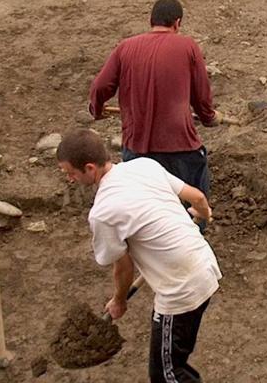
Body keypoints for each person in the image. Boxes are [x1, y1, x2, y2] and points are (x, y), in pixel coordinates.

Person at [57, 128, 221, 383]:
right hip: (205, 266)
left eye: (70, 173)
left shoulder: (103, 212)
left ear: (89, 168)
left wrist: (119, 301)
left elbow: (123, 268)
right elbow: (198, 197)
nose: (69, 179)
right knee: (172, 363)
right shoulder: (144, 166)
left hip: (182, 289)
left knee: (167, 375)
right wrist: (204, 214)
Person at [89, 0, 221, 201]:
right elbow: (201, 95)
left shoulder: (126, 47)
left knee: (145, 206)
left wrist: (96, 110)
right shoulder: (187, 46)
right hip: (179, 147)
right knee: (194, 203)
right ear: (177, 23)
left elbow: (100, 86)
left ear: (151, 20)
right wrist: (209, 117)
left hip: (137, 150)